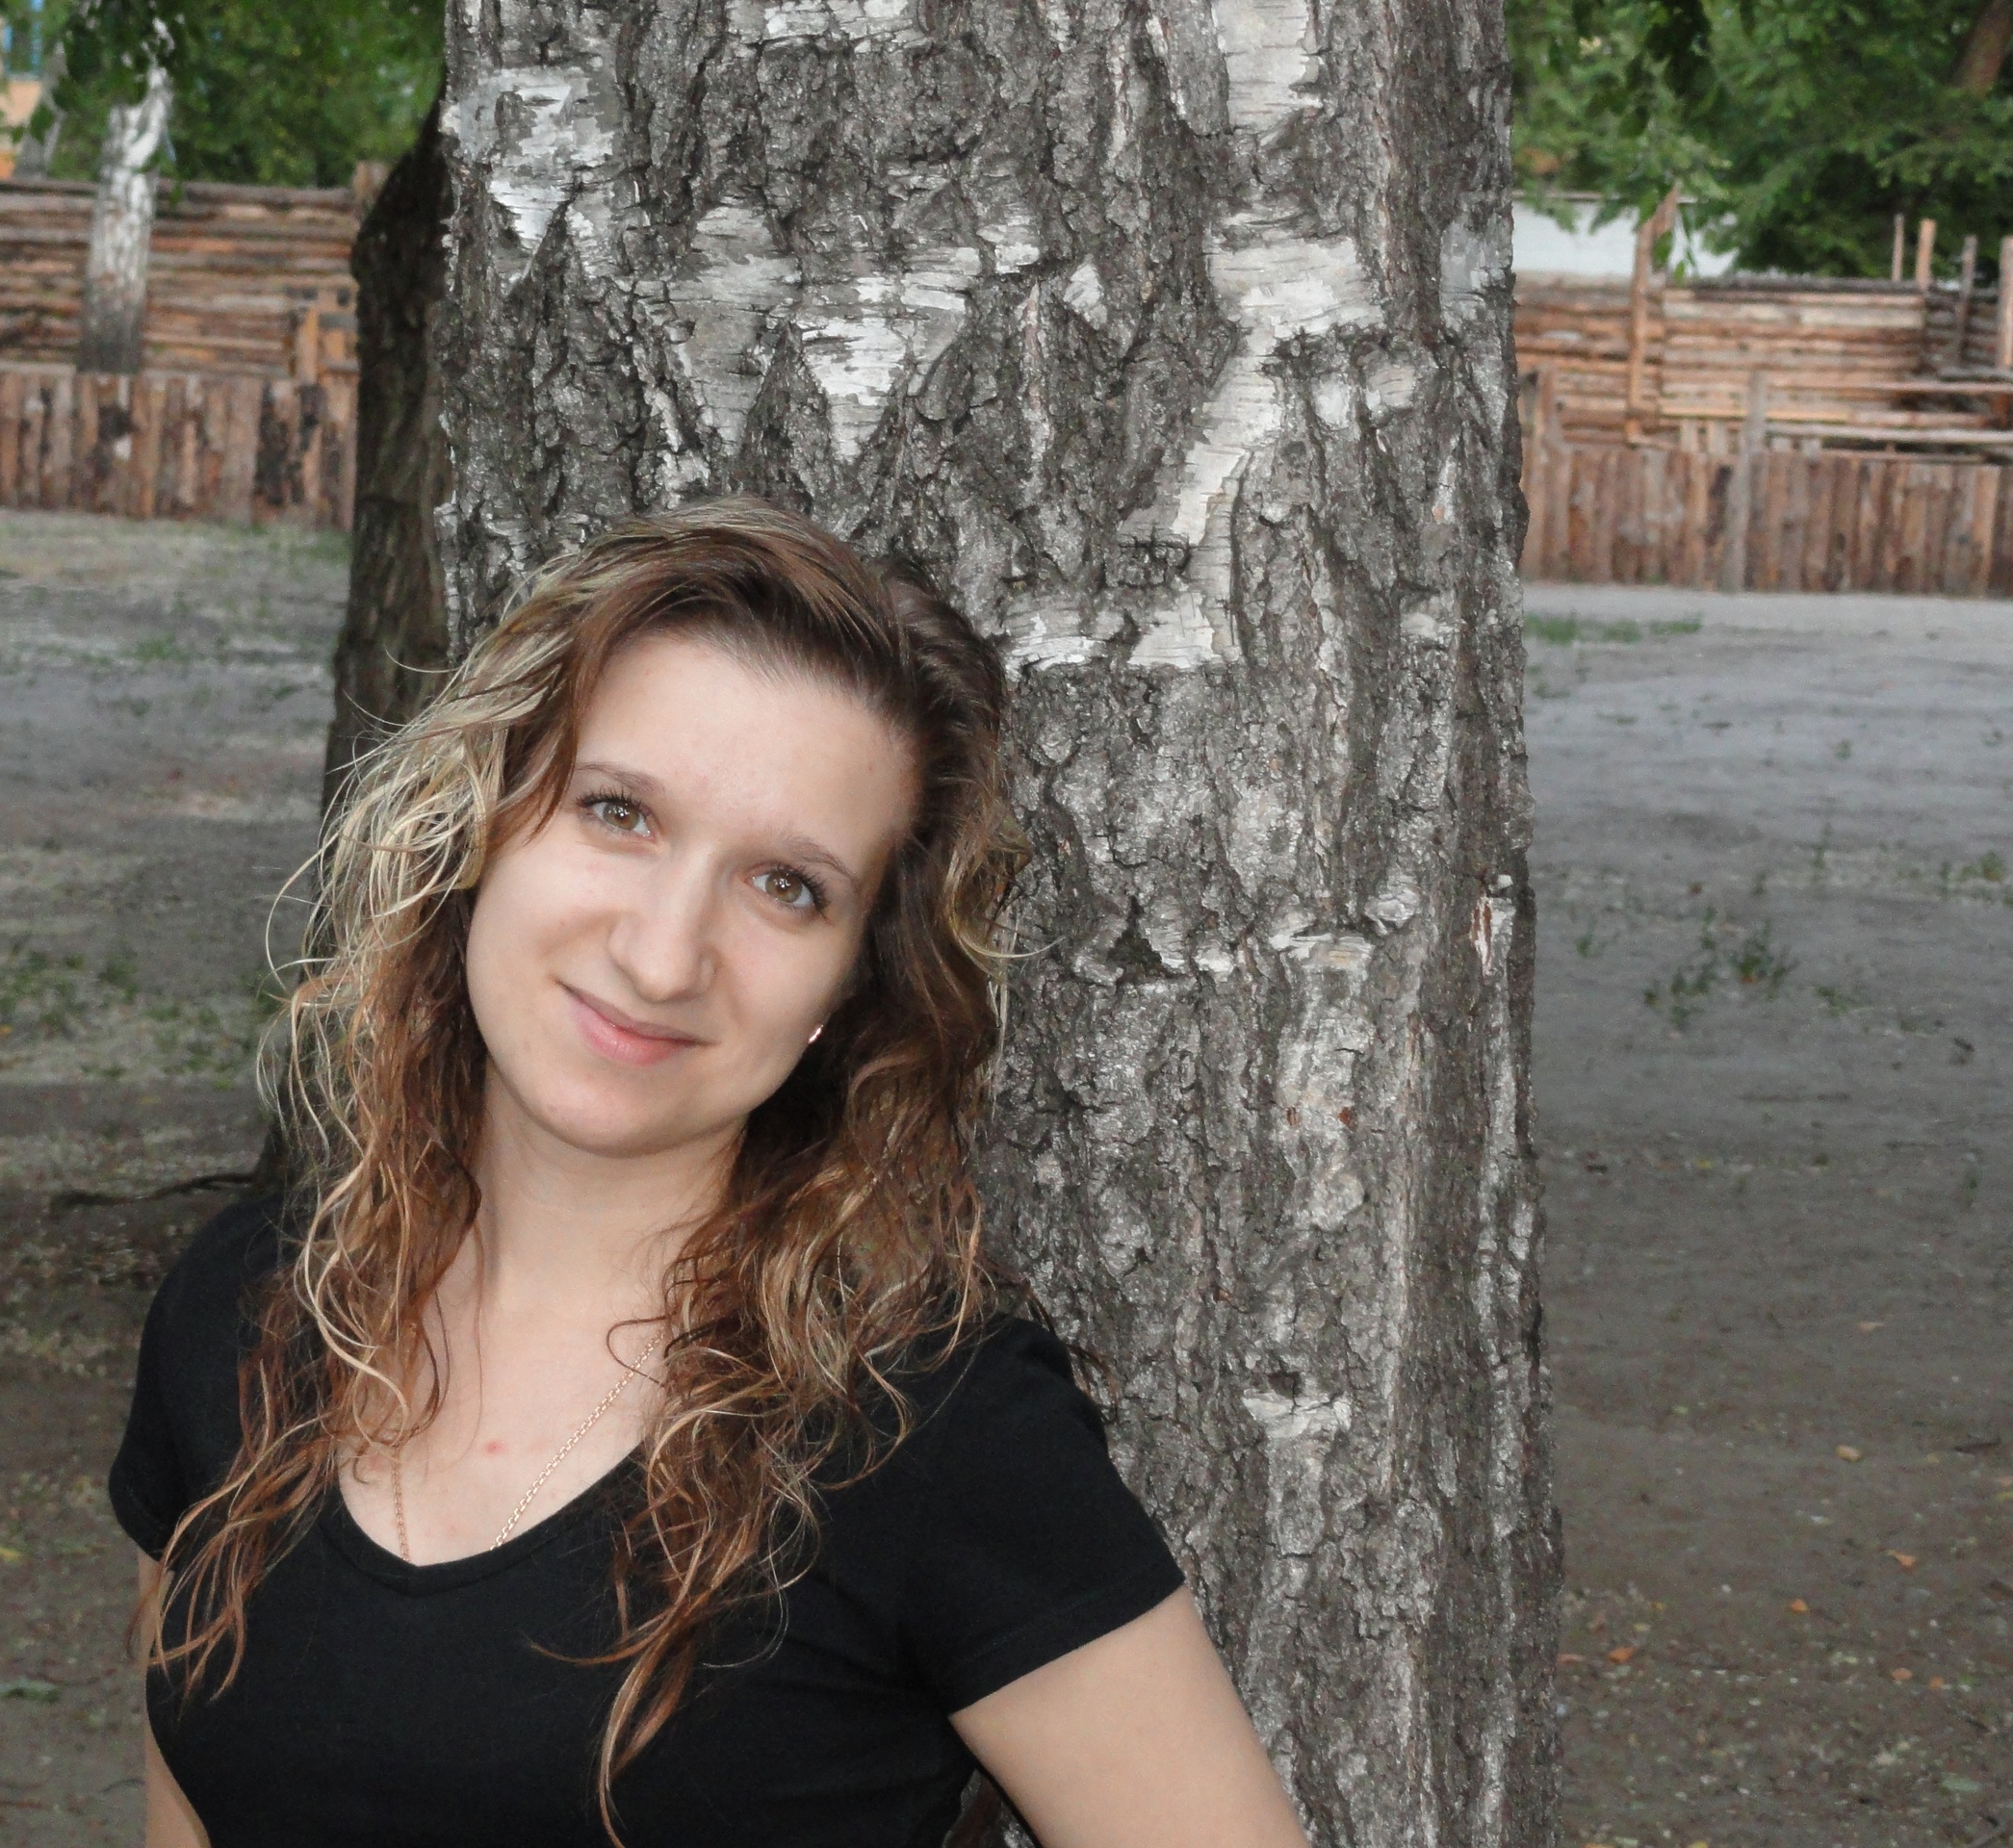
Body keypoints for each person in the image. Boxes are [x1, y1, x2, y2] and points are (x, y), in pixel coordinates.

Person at [110, 500, 1312, 1848]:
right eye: (618, 812)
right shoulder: (243, 1315)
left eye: (786, 886)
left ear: (849, 988)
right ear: (482, 823)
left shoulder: (927, 1433)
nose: (664, 954)